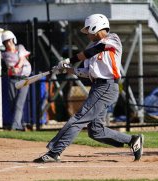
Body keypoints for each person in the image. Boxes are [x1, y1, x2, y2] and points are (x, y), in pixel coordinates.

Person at [33, 14, 144, 163]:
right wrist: (67, 69)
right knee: (95, 131)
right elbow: (87, 72)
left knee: (78, 118)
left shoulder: (113, 39)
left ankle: (55, 151)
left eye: (89, 31)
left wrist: (69, 59)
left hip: (107, 87)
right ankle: (133, 140)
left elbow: (95, 50)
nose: (88, 35)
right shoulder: (91, 47)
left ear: (96, 27)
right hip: (97, 87)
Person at [1, 30, 31, 131]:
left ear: (13, 40)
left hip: (24, 79)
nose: (8, 43)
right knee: (13, 104)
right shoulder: (5, 54)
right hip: (13, 79)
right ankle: (21, 125)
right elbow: (8, 66)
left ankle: (14, 127)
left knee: (19, 103)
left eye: (10, 41)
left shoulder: (20, 48)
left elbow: (22, 59)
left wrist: (17, 67)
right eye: (6, 42)